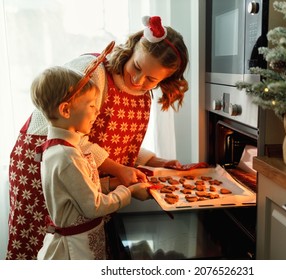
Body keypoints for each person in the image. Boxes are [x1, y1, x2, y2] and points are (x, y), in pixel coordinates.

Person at [6, 15, 189, 259]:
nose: (138, 80)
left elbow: (119, 142)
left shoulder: (142, 95)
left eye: (151, 79)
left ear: (165, 80)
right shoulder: (93, 72)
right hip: (43, 165)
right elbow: (70, 137)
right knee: (43, 249)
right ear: (132, 48)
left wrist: (157, 161)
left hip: (82, 173)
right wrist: (118, 170)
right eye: (136, 67)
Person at [31, 65, 151, 260]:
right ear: (66, 110)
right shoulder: (67, 156)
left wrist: (115, 183)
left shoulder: (63, 148)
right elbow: (93, 206)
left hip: (81, 242)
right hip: (75, 250)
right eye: (91, 105)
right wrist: (128, 192)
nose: (97, 112)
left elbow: (79, 190)